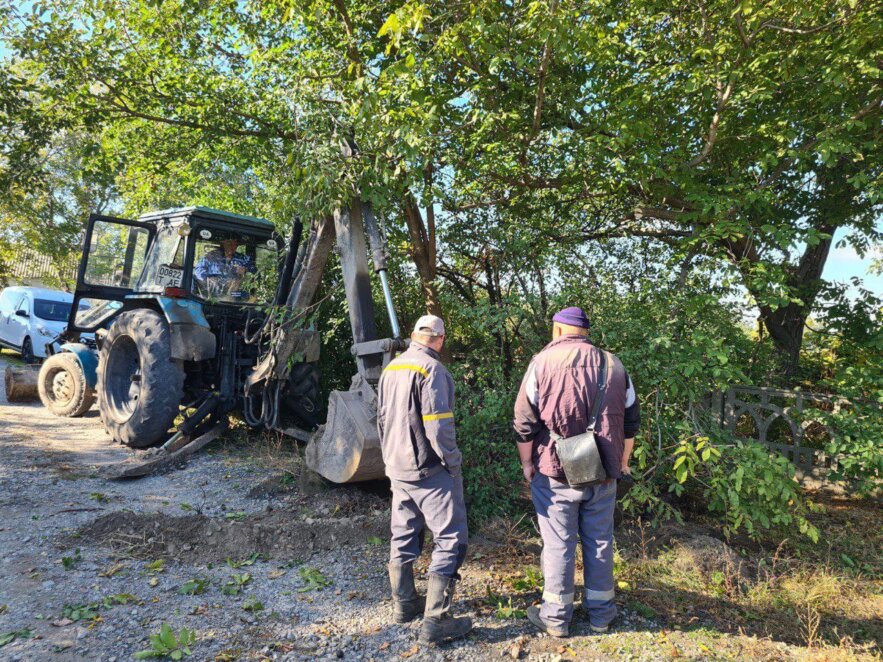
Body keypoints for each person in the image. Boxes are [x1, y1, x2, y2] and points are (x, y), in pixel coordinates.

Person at [513, 306, 640, 637]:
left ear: (558, 330)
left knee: (559, 543)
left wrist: (527, 464)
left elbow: (524, 423)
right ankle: (601, 616)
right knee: (600, 541)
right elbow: (631, 422)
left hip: (554, 472)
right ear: (585, 331)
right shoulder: (614, 364)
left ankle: (556, 619)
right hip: (603, 470)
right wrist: (623, 462)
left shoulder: (541, 363)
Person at [376, 314, 473, 644]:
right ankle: (436, 620)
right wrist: (453, 462)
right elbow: (438, 426)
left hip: (397, 467)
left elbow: (382, 420)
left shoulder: (392, 368)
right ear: (441, 339)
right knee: (450, 538)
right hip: (430, 470)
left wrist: (390, 460)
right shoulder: (432, 370)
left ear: (414, 335)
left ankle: (404, 605)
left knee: (403, 533)